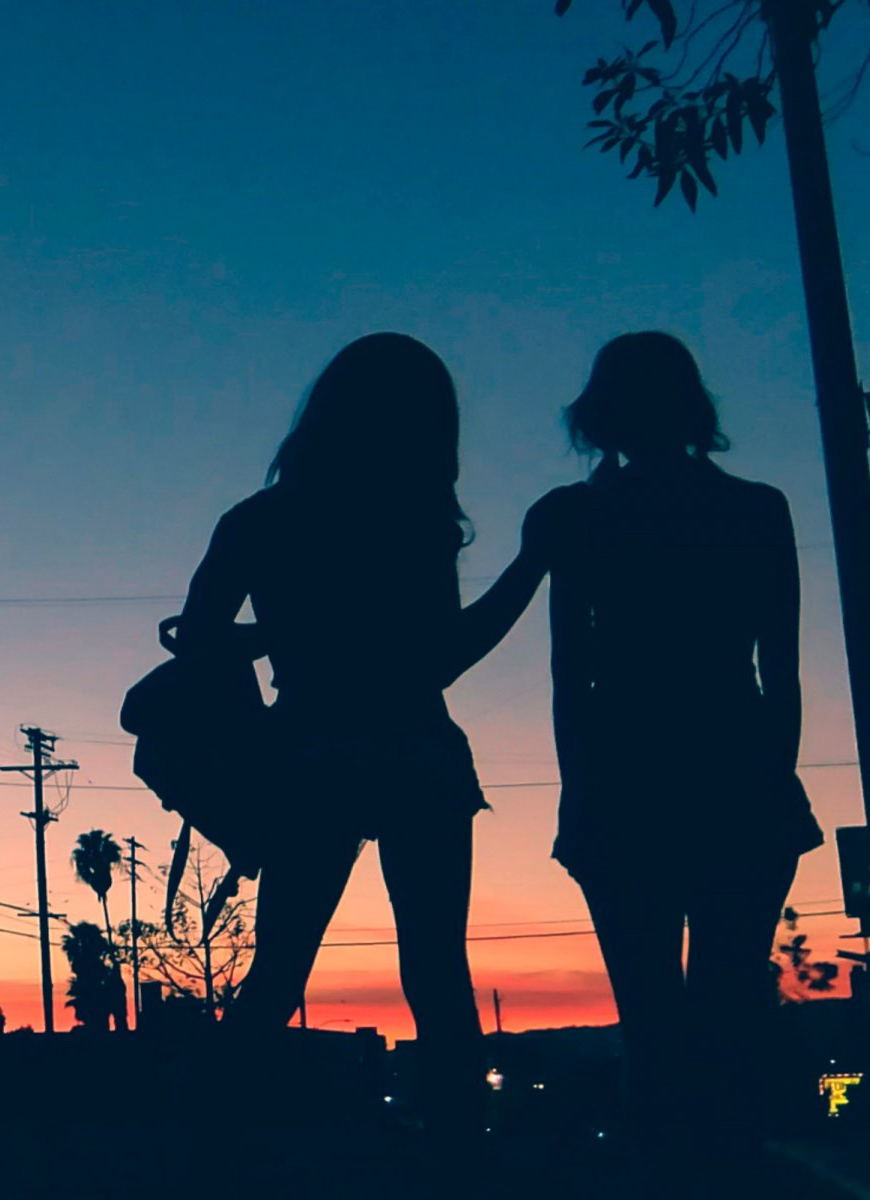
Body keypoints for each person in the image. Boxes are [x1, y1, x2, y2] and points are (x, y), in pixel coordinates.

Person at [176, 333, 547, 1136]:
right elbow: (438, 657)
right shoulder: (410, 519)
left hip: (308, 752)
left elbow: (197, 641)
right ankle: (455, 1149)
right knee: (438, 970)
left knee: (276, 970)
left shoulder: (256, 520)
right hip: (415, 750)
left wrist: (267, 641)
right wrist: (527, 567)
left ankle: (222, 1143)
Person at [537, 332, 818, 1173]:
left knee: (651, 1020)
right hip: (736, 773)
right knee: (726, 1011)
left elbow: (569, 678)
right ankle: (727, 1169)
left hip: (623, 783)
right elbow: (782, 670)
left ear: (600, 416)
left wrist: (576, 795)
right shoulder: (755, 508)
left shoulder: (582, 516)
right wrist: (774, 776)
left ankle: (667, 1171)